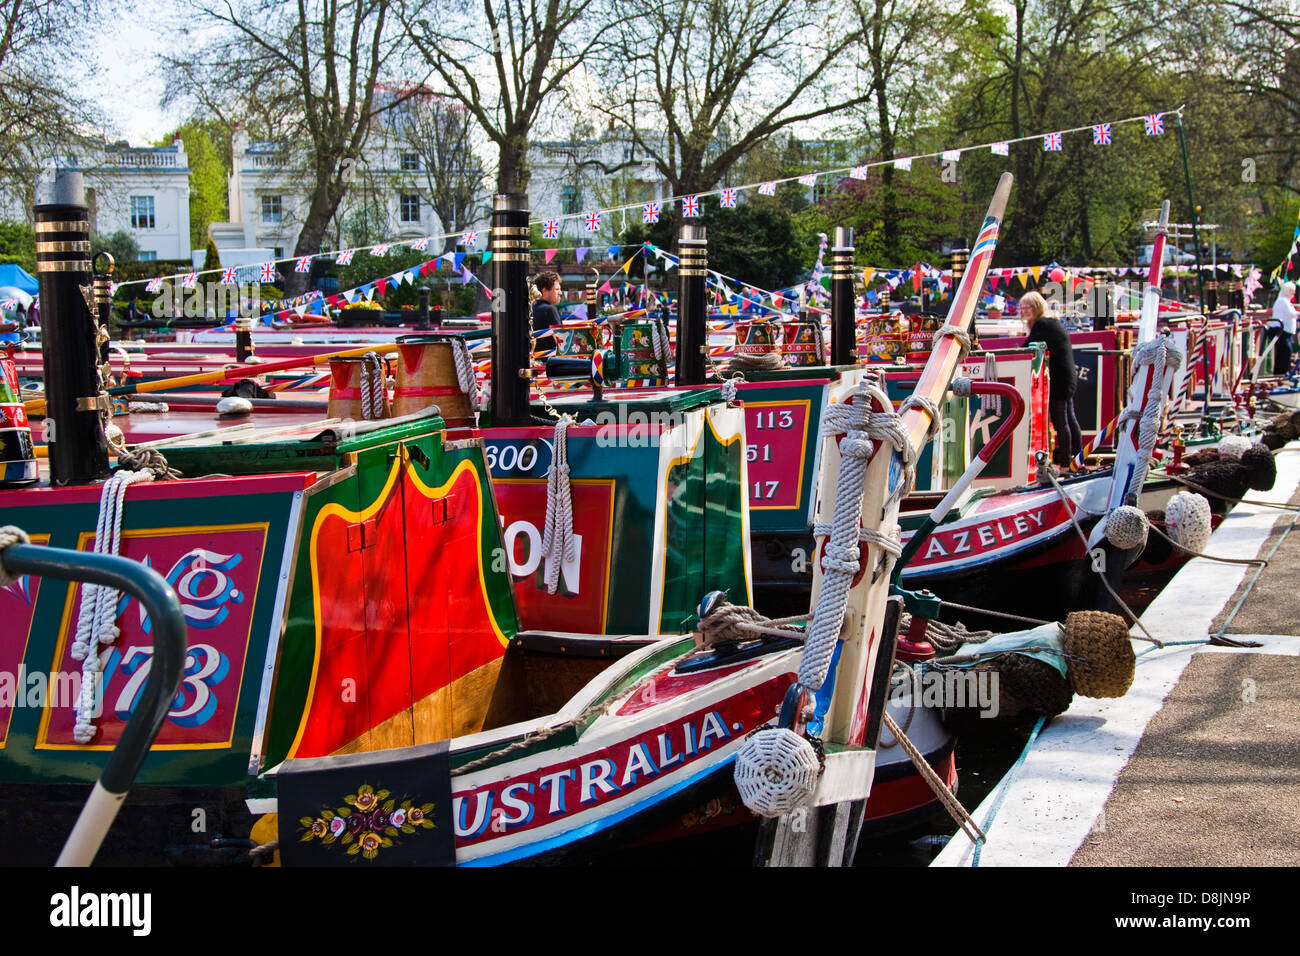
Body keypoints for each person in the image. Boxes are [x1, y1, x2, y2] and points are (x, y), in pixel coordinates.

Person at [1021, 290, 1082, 468]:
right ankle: (1078, 459)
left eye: (1027, 307)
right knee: (1069, 419)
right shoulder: (1050, 322)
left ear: (1037, 307)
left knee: (1061, 421)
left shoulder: (1042, 325)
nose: (1024, 311)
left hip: (1058, 379)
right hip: (1066, 377)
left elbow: (1027, 349)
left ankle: (1065, 464)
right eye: (1022, 308)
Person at [1268, 281, 1297, 375]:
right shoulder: (1282, 301)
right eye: (1292, 291)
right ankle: (1281, 373)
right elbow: (1290, 313)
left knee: (1284, 352)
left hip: (1285, 332)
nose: (1293, 293)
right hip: (1280, 331)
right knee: (1285, 352)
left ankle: (1281, 373)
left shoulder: (1285, 301)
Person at [531, 270, 562, 354]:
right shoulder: (550, 309)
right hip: (550, 360)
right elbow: (561, 340)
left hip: (533, 358)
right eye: (556, 289)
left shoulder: (531, 308)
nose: (560, 293)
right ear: (544, 291)